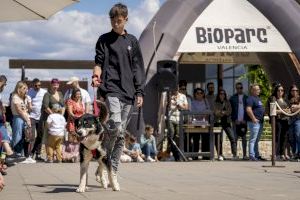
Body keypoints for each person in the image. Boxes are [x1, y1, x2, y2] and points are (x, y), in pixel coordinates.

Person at [92, 3, 145, 191]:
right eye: (113, 20)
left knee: (120, 132)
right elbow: (98, 62)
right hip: (110, 88)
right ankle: (105, 166)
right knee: (114, 123)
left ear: (126, 20)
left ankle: (110, 168)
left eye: (119, 20)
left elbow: (138, 68)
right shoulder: (103, 40)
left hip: (129, 92)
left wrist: (139, 91)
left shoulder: (133, 41)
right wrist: (96, 76)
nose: (115, 23)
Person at [11, 81, 35, 164]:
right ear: (19, 89)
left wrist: (29, 102)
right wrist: (27, 120)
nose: (26, 90)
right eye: (24, 88)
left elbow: (29, 109)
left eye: (27, 89)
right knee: (18, 136)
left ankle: (24, 155)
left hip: (25, 118)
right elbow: (19, 110)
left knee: (26, 137)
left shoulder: (24, 98)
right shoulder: (15, 97)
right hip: (19, 118)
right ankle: (16, 155)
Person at [40, 78, 65, 160]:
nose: (55, 86)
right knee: (49, 137)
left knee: (59, 139)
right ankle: (49, 157)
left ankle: (58, 157)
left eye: (57, 84)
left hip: (60, 119)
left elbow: (64, 106)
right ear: (51, 85)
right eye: (54, 84)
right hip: (50, 119)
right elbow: (45, 106)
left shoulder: (60, 93)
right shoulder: (47, 94)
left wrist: (61, 116)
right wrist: (54, 116)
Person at [266, 84, 290, 160]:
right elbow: (272, 110)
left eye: (282, 90)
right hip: (276, 121)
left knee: (284, 137)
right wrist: (283, 111)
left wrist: (285, 111)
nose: (280, 92)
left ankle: (282, 154)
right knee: (277, 137)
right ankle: (276, 154)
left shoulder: (285, 99)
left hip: (285, 120)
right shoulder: (272, 98)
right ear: (276, 91)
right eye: (278, 90)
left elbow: (289, 110)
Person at [214, 89, 237, 160]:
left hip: (227, 122)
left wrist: (222, 112)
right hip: (218, 123)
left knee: (232, 138)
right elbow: (216, 112)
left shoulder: (227, 102)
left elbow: (230, 111)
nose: (222, 95)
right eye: (221, 93)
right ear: (218, 95)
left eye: (223, 94)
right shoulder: (216, 102)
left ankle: (234, 154)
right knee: (218, 140)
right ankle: (220, 155)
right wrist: (223, 112)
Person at [27, 78, 47, 161]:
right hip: (32, 116)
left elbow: (46, 102)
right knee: (31, 136)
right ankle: (29, 154)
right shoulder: (30, 91)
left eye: (39, 85)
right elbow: (29, 102)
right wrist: (30, 106)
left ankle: (37, 154)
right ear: (33, 85)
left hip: (41, 116)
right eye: (36, 85)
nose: (38, 87)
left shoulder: (44, 92)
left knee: (40, 136)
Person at [168, 86, 188, 161]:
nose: (175, 90)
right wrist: (170, 100)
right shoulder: (169, 96)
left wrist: (178, 103)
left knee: (178, 136)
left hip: (179, 118)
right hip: (171, 118)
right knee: (171, 134)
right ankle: (173, 154)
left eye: (176, 88)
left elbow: (186, 107)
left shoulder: (183, 96)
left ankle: (178, 154)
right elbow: (167, 106)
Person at [246, 84, 265, 161]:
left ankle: (256, 155)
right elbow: (248, 109)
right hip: (254, 122)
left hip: (260, 122)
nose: (258, 90)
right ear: (252, 90)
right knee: (253, 139)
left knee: (256, 139)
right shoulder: (250, 99)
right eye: (256, 89)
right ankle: (251, 155)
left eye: (258, 89)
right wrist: (253, 118)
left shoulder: (258, 99)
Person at [190, 88, 210, 159]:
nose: (199, 94)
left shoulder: (205, 101)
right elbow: (192, 112)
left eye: (201, 93)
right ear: (195, 94)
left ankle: (206, 156)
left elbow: (208, 110)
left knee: (205, 138)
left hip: (204, 122)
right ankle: (195, 156)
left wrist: (204, 115)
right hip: (196, 122)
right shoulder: (193, 102)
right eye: (197, 93)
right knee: (196, 139)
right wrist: (199, 115)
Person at [229, 82, 248, 160]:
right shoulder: (232, 98)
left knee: (244, 138)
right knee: (234, 138)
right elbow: (231, 110)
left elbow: (248, 110)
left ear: (242, 88)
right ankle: (234, 155)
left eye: (240, 88)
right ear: (235, 89)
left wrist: (245, 119)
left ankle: (244, 155)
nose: (239, 89)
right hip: (235, 121)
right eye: (237, 88)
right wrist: (234, 119)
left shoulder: (246, 98)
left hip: (244, 122)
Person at [288, 84, 300, 159]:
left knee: (298, 135)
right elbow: (288, 108)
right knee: (291, 137)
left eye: (296, 90)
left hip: (298, 119)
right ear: (290, 91)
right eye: (293, 90)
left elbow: (292, 108)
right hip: (290, 120)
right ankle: (294, 153)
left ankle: (298, 153)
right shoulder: (288, 99)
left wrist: (296, 107)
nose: (295, 92)